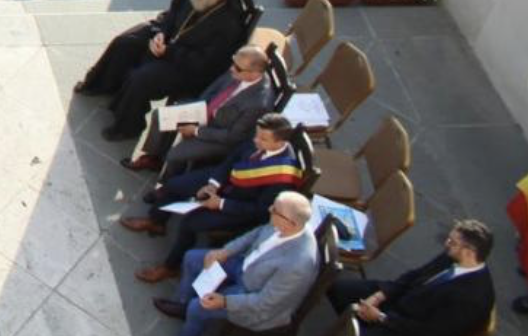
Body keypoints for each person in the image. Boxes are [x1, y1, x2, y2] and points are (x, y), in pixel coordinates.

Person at [78, 0, 253, 140]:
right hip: (168, 42)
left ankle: (128, 127)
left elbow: (205, 63)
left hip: (188, 67)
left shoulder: (229, 24)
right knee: (125, 42)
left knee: (141, 78)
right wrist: (161, 33)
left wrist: (168, 52)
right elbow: (171, 14)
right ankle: (103, 85)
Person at [125, 115, 305, 280]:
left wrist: (221, 203)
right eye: (257, 135)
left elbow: (259, 211)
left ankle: (170, 267)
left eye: (263, 139)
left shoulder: (282, 177)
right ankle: (156, 221)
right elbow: (232, 160)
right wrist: (213, 184)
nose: (255, 140)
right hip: (226, 181)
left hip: (237, 206)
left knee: (190, 222)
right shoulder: (260, 140)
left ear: (280, 142)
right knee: (174, 185)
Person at [159, 191, 319, 334]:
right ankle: (182, 305)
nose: (270, 209)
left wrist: (225, 302)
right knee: (192, 258)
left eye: (274, 210)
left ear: (291, 223)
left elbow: (264, 303)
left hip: (251, 294)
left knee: (198, 307)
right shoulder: (285, 222)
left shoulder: (298, 264)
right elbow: (254, 234)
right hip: (245, 265)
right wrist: (225, 251)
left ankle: (190, 318)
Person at [326, 218, 496, 336]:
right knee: (338, 289)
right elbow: (415, 275)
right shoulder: (453, 256)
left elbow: (431, 332)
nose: (447, 243)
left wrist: (381, 318)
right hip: (401, 301)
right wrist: (379, 295)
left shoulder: (471, 299)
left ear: (469, 252)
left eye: (453, 242)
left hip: (408, 328)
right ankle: (352, 324)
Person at [125, 46, 276, 176]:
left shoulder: (258, 103)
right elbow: (213, 89)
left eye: (237, 68)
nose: (231, 69)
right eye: (233, 62)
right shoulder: (240, 69)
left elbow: (233, 137)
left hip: (219, 133)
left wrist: (196, 131)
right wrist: (195, 110)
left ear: (254, 73)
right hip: (205, 111)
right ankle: (153, 158)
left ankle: (167, 184)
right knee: (160, 116)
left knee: (175, 155)